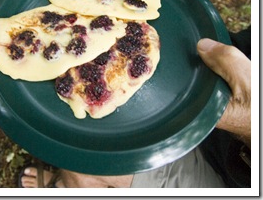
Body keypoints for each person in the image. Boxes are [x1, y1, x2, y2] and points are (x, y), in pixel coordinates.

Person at [20, 28, 251, 188]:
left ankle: (63, 185)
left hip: (230, 175)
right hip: (194, 108)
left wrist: (251, 127)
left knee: (86, 158)